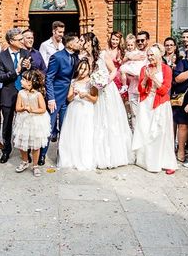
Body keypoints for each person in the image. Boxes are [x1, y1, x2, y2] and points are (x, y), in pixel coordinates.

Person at [81, 32, 133, 169]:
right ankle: (97, 154)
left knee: (110, 120)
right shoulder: (84, 57)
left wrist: (104, 82)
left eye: (83, 41)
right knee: (96, 120)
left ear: (90, 42)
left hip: (107, 90)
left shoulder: (103, 55)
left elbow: (114, 70)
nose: (81, 43)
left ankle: (114, 155)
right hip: (93, 90)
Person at [132, 44, 177, 174]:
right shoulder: (144, 69)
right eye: (148, 55)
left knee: (159, 133)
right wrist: (146, 78)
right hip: (146, 104)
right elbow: (140, 90)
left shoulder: (166, 69)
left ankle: (166, 162)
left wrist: (154, 79)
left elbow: (164, 90)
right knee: (145, 131)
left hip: (160, 104)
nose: (150, 57)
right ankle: (146, 161)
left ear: (159, 55)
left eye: (152, 55)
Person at [39, 32, 81, 165]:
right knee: (49, 127)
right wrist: (50, 98)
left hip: (68, 98)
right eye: (77, 41)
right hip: (55, 98)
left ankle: (62, 156)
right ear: (69, 43)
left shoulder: (76, 57)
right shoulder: (57, 57)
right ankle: (42, 155)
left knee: (65, 128)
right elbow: (49, 78)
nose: (80, 43)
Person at [58, 59, 98, 170]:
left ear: (89, 70)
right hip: (74, 109)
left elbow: (95, 99)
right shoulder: (73, 81)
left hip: (86, 109)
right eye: (81, 68)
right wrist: (74, 94)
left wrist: (86, 95)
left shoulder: (92, 81)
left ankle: (84, 158)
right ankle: (71, 157)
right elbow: (69, 98)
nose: (82, 71)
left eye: (85, 69)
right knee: (73, 132)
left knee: (85, 133)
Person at [0, 28, 28, 163]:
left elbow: (31, 74)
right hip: (8, 94)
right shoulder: (1, 57)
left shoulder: (26, 53)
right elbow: (1, 77)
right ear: (11, 41)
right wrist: (17, 70)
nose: (23, 41)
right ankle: (6, 150)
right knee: (7, 125)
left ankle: (26, 152)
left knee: (25, 124)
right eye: (20, 39)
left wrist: (28, 67)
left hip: (24, 94)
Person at [12, 70, 51, 177]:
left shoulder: (38, 94)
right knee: (21, 142)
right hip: (23, 120)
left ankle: (35, 165)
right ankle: (24, 161)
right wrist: (24, 108)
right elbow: (17, 108)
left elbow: (43, 109)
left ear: (31, 82)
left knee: (35, 144)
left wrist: (32, 110)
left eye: (24, 79)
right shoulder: (21, 93)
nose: (21, 81)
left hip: (36, 121)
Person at [121, 34, 147, 125]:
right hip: (132, 87)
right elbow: (123, 63)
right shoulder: (128, 53)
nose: (140, 43)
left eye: (142, 41)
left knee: (143, 113)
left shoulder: (145, 54)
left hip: (142, 88)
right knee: (134, 113)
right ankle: (135, 133)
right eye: (138, 41)